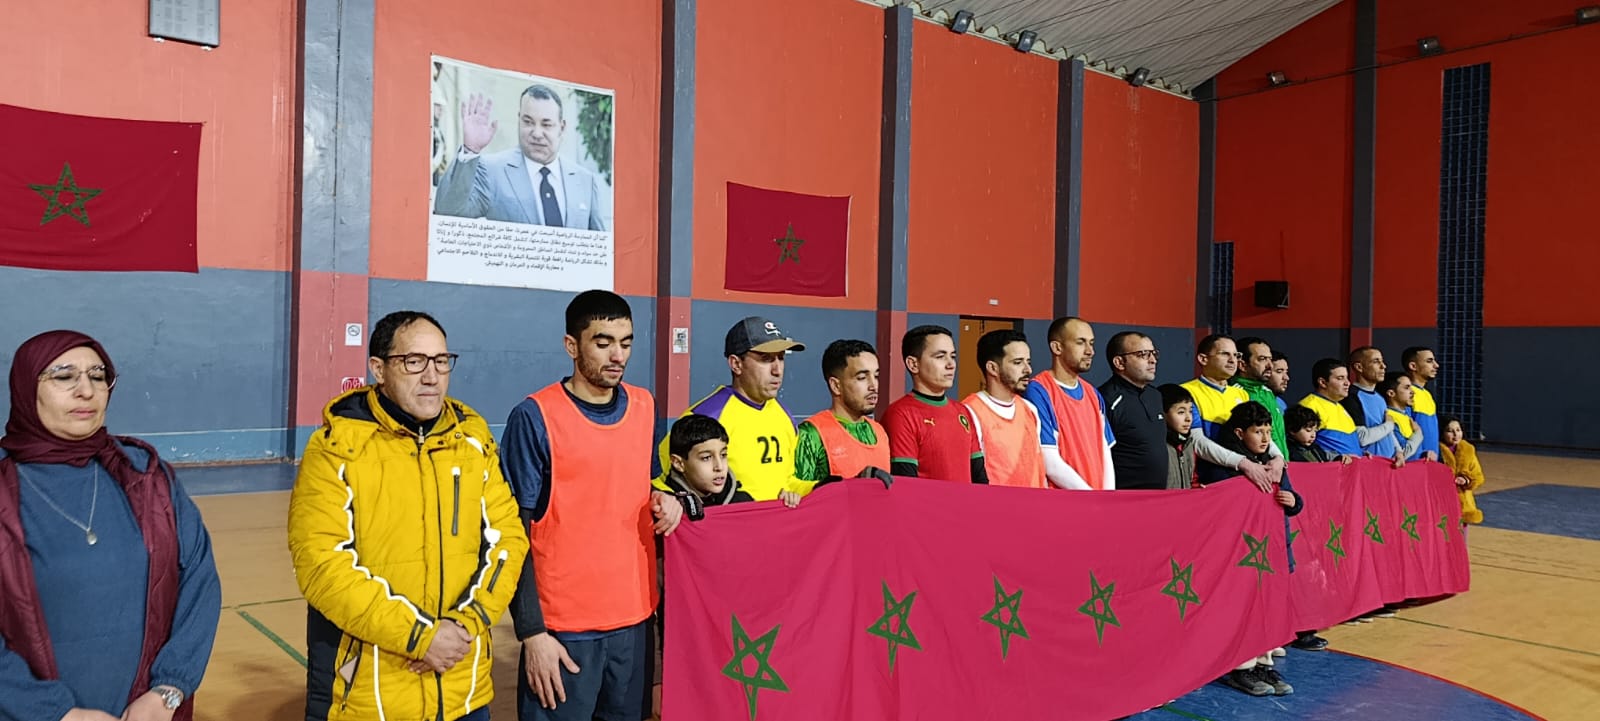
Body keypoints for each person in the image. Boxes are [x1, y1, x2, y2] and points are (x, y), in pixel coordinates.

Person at [290, 312, 528, 721]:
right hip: (369, 699)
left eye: (441, 361)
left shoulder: (473, 442)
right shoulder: (335, 449)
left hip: (463, 686)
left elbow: (507, 540)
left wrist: (464, 625)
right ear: (379, 368)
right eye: (414, 361)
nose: (432, 376)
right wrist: (420, 637)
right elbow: (322, 565)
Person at [0, 330, 221, 721]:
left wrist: (169, 690)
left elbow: (199, 583)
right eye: (64, 376)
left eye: (98, 376)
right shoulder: (7, 488)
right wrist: (57, 713)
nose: (86, 390)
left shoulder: (147, 475)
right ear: (26, 387)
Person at [500, 291, 685, 721]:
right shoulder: (535, 416)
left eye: (626, 343)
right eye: (603, 343)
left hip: (634, 623)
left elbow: (639, 487)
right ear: (572, 345)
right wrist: (532, 632)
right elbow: (512, 531)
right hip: (565, 631)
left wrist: (666, 499)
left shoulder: (645, 406)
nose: (618, 355)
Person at [1205, 402, 1302, 697]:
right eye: (1258, 432)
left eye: (1268, 432)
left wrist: (1293, 501)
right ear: (1239, 433)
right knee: (1241, 609)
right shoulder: (1224, 466)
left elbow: (1294, 498)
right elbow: (1218, 503)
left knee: (1266, 608)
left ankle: (1263, 663)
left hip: (1272, 550)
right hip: (1240, 552)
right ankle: (1240, 668)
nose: (1265, 438)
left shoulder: (1273, 462)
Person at [659, 317, 813, 501]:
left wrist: (821, 488)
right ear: (736, 364)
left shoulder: (784, 415)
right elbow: (662, 483)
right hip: (730, 519)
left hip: (777, 519)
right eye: (766, 359)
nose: (777, 370)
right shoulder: (706, 416)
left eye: (781, 358)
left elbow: (787, 482)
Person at [433, 84, 610, 230]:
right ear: (519, 120)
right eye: (528, 122)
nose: (537, 133)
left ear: (561, 128)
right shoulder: (492, 171)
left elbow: (600, 249)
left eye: (546, 124)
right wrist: (470, 150)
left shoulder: (585, 181)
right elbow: (448, 214)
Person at [884, 325, 988, 484]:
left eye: (953, 356)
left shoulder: (962, 411)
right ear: (913, 364)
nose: (951, 364)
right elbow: (906, 484)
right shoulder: (900, 414)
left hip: (967, 501)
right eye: (940, 356)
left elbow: (980, 478)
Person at [1022, 317, 1115, 490]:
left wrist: (1107, 497)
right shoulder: (1038, 390)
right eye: (1081, 342)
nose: (1090, 351)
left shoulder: (1093, 393)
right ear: (1057, 347)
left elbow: (1105, 451)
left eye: (1091, 343)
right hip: (1064, 500)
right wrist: (1091, 496)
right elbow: (1049, 461)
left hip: (1095, 499)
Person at [1181, 335, 1282, 494]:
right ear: (1203, 359)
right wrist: (1243, 463)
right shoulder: (1187, 392)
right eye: (1225, 354)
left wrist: (1277, 457)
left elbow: (1261, 431)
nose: (1232, 360)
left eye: (1236, 355)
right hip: (1208, 480)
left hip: (1243, 476)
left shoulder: (1241, 394)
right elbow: (1197, 442)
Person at [793, 340, 890, 484]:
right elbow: (800, 493)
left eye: (876, 376)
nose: (873, 386)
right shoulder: (811, 434)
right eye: (862, 378)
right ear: (836, 386)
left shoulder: (879, 431)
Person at [963, 330, 1048, 489]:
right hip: (995, 504)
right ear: (992, 368)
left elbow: (1039, 471)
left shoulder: (1030, 410)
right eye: (1018, 362)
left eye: (1028, 361)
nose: (1028, 369)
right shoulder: (970, 411)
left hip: (1034, 503)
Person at [1098, 332, 1167, 490]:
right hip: (1123, 497)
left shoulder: (1155, 396)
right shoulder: (1105, 400)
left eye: (1153, 353)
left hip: (1158, 495)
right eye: (1143, 354)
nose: (1153, 360)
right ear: (1119, 362)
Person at [659, 415, 754, 506]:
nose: (719, 467)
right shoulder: (666, 508)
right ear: (678, 463)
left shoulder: (743, 502)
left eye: (723, 455)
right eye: (706, 458)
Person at [1297, 358, 1377, 459]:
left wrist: (1361, 453)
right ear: (1322, 382)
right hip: (1329, 469)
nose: (1347, 383)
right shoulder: (1308, 406)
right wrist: (1336, 457)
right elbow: (1301, 448)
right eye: (1340, 378)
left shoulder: (1340, 407)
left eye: (1347, 378)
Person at [1340, 347, 1400, 461]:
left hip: (1388, 464)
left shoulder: (1380, 398)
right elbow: (1362, 438)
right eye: (1376, 361)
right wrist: (1389, 425)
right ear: (1359, 367)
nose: (1383, 366)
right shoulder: (1351, 397)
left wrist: (1398, 451)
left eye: (1382, 361)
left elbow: (1388, 432)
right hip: (1368, 464)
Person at [1233, 337, 1287, 457]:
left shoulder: (1267, 392)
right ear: (1242, 365)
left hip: (1281, 463)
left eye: (1270, 359)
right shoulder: (1236, 393)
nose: (1270, 365)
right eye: (1262, 359)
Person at [1439, 415, 1485, 526]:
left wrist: (1466, 480)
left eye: (1458, 430)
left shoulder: (1468, 450)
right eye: (1450, 431)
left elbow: (1478, 476)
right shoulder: (1437, 451)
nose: (1455, 434)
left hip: (1464, 506)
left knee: (1462, 535)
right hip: (1442, 504)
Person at [1401, 347, 1441, 461]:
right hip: (1414, 462)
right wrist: (1421, 453)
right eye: (1429, 361)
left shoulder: (1427, 394)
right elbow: (1404, 431)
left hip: (1430, 461)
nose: (1436, 365)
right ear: (1413, 366)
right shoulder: (1406, 394)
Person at [1378, 372, 1425, 464]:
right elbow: (1400, 455)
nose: (1413, 392)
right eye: (1407, 388)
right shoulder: (1389, 417)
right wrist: (1418, 433)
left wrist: (1424, 453)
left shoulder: (1405, 415)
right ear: (1391, 393)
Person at [1159, 384, 1197, 490]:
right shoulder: (1157, 445)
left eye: (1190, 411)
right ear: (1163, 414)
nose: (1188, 418)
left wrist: (1196, 489)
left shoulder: (1188, 443)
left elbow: (1192, 480)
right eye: (1181, 412)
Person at [1284, 406, 1353, 465]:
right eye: (1308, 430)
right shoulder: (1287, 451)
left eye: (1315, 431)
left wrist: (1340, 458)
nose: (1313, 435)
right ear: (1292, 430)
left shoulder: (1316, 448)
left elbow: (1328, 458)